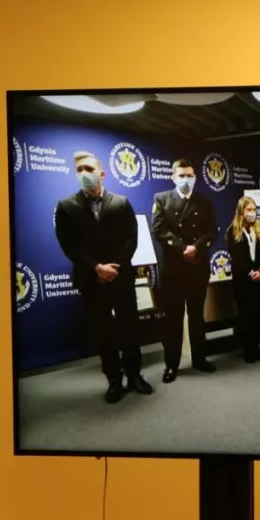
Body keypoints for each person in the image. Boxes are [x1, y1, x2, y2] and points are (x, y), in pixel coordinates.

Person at [53, 151, 153, 403]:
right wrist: (96, 268)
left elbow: (131, 238)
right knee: (103, 332)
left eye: (88, 168)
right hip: (91, 280)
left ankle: (134, 376)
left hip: (121, 276)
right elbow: (69, 245)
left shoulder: (121, 202)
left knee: (130, 328)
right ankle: (114, 380)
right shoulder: (66, 207)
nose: (84, 173)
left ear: (101, 173)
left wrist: (114, 267)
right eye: (79, 170)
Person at [150, 158, 218, 383]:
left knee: (197, 316)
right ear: (173, 177)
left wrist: (196, 248)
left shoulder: (204, 201)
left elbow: (212, 231)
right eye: (181, 175)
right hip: (174, 270)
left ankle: (200, 358)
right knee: (173, 319)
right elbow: (158, 230)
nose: (186, 180)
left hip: (197, 267)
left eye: (189, 175)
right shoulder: (162, 199)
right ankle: (172, 365)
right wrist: (182, 248)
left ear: (195, 177)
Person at [225, 196, 260, 363]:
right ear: (241, 211)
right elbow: (238, 258)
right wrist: (250, 272)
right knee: (245, 315)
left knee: (257, 315)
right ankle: (248, 349)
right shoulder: (232, 231)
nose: (252, 213)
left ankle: (256, 347)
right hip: (243, 280)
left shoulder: (258, 229)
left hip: (258, 279)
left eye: (254, 210)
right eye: (248, 210)